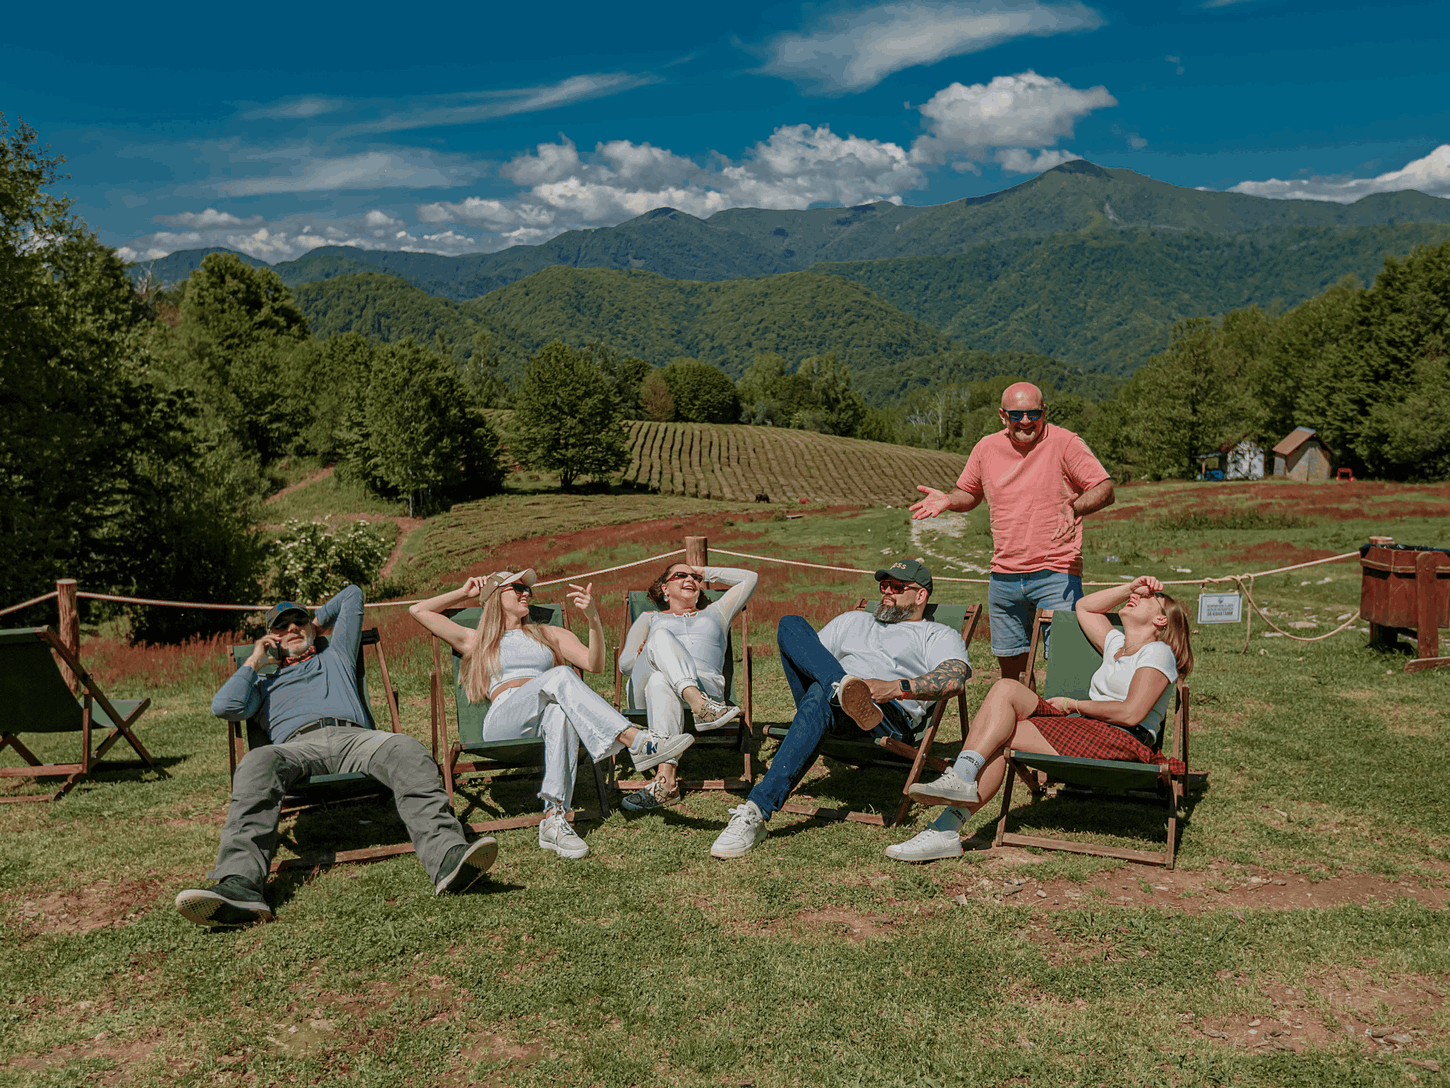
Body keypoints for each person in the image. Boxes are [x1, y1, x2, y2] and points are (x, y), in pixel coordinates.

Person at [177, 584, 496, 927]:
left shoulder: (337, 653)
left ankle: (448, 857)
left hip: (354, 737)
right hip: (295, 747)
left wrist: (314, 622)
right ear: (271, 638)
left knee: (406, 747)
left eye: (297, 622)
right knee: (256, 761)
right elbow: (224, 706)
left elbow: (353, 595)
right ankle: (240, 886)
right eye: (281, 627)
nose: (291, 629)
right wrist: (255, 661)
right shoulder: (262, 684)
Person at [886, 575, 1192, 862]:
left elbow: (1131, 712)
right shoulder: (1116, 645)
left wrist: (1074, 704)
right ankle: (959, 785)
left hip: (1123, 741)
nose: (1138, 596)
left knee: (1001, 732)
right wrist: (1130, 587)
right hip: (1088, 731)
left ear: (1160, 619)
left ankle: (946, 825)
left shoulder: (1157, 652)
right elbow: (1084, 606)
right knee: (1006, 688)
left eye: (1149, 596)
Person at [408, 570, 694, 859]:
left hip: (545, 716)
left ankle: (554, 818)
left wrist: (593, 618)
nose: (526, 593)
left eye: (528, 589)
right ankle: (638, 741)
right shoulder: (476, 639)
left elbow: (594, 664)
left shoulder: (546, 633)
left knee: (560, 710)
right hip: (505, 720)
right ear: (495, 596)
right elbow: (418, 610)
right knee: (560, 675)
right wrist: (465, 593)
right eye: (517, 587)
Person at [710, 558, 971, 859]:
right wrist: (841, 683)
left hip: (882, 714)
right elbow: (809, 656)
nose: (886, 591)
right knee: (791, 624)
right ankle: (841, 688)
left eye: (897, 587)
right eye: (883, 584)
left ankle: (756, 810)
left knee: (821, 694)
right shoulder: (853, 620)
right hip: (833, 700)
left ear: (921, 595)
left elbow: (954, 678)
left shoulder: (936, 634)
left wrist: (896, 687)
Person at [911, 382, 1114, 683]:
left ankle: (1063, 729)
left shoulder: (1065, 443)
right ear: (1002, 415)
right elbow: (969, 492)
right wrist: (950, 500)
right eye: (1017, 414)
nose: (1026, 421)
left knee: (1066, 666)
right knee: (1011, 673)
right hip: (1003, 578)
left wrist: (1075, 507)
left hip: (1055, 573)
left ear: (1044, 412)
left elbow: (1104, 488)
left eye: (1034, 413)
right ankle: (1021, 725)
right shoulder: (986, 448)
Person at [615, 561, 758, 812]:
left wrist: (703, 571)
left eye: (695, 577)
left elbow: (751, 578)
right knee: (660, 640)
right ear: (665, 588)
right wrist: (647, 651)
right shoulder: (651, 619)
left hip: (697, 689)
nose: (690, 579)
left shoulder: (717, 612)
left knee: (661, 680)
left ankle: (666, 783)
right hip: (646, 694)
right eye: (680, 575)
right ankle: (699, 705)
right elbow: (625, 665)